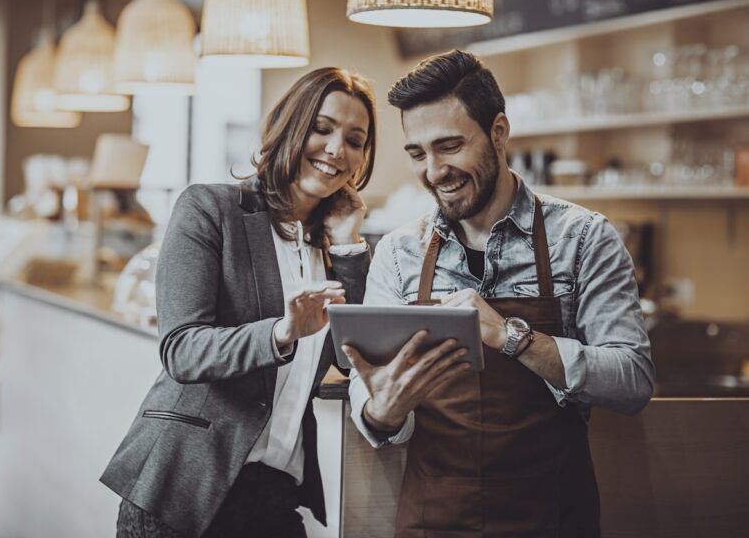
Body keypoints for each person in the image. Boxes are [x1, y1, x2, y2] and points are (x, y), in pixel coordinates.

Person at [342, 50, 655, 537]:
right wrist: (379, 411)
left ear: (499, 132)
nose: (434, 171)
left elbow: (632, 381)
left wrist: (513, 337)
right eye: (418, 153)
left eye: (449, 146)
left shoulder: (584, 238)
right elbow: (374, 394)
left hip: (551, 516)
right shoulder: (399, 253)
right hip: (433, 519)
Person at [101, 67, 377, 537]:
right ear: (290, 126)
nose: (337, 150)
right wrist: (280, 333)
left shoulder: (336, 247)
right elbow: (182, 350)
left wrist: (348, 243)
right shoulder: (211, 210)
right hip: (183, 491)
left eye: (355, 139)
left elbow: (358, 359)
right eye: (323, 128)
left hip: (275, 494)